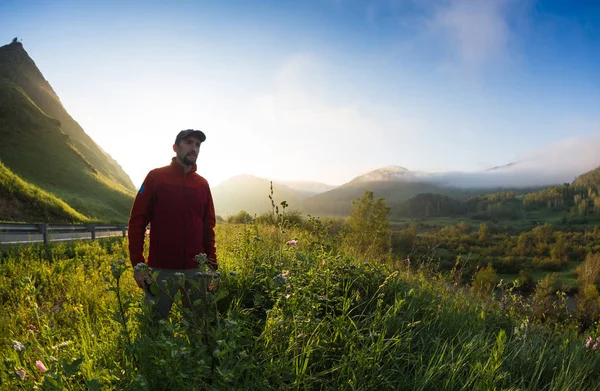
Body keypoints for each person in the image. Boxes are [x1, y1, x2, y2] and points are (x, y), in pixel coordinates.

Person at [128, 129, 218, 319]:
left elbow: (207, 228)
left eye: (197, 144)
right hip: (160, 270)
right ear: (176, 147)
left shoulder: (202, 185)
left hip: (196, 271)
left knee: (199, 327)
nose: (194, 148)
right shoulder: (155, 178)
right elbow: (137, 221)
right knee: (153, 327)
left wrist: (212, 266)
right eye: (188, 142)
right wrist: (138, 265)